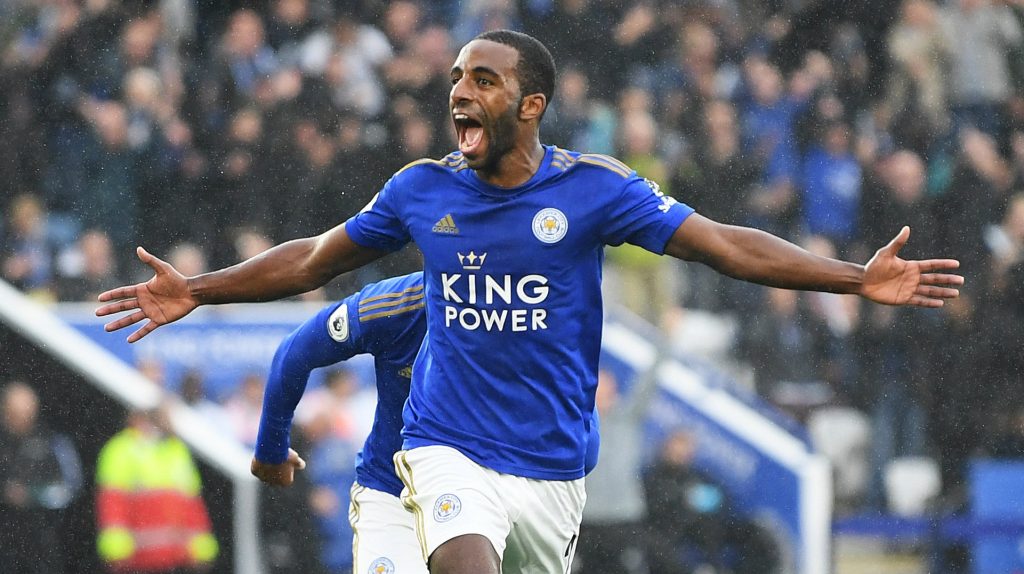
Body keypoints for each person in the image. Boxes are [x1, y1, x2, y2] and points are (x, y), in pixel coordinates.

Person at [97, 30, 962, 574]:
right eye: (457, 79)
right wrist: (199, 290)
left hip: (551, 467)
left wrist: (852, 276)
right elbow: (315, 259)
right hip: (445, 447)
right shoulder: (419, 191)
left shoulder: (596, 192)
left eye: (483, 81)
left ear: (532, 105)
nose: (460, 93)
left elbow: (728, 245)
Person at [249, 271, 600, 573]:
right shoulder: (397, 304)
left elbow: (583, 438)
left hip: (502, 495)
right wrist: (271, 448)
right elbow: (295, 352)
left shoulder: (527, 317)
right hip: (393, 496)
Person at [95, 404, 219, 573]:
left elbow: (192, 504)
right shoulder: (121, 449)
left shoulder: (176, 450)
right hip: (137, 558)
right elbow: (113, 503)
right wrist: (116, 548)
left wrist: (200, 548)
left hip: (177, 558)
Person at [0, 381, 83, 574]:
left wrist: (31, 495)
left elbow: (71, 486)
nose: (21, 418)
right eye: (14, 412)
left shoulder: (51, 441)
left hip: (41, 538)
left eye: (25, 411)